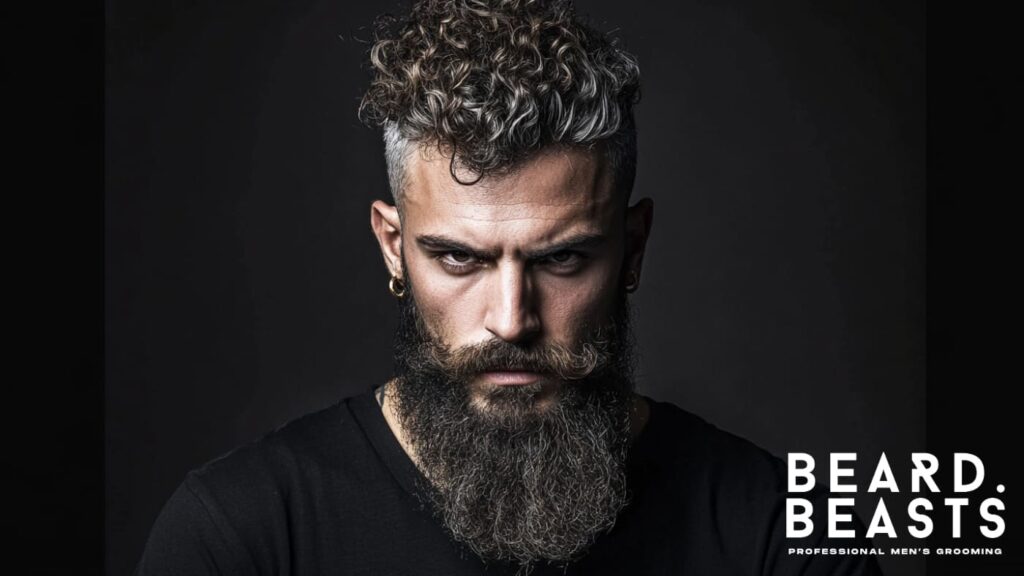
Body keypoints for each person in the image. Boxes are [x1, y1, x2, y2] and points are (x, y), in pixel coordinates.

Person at [136, 1, 881, 574]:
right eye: (459, 259)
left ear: (633, 249)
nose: (511, 320)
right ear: (395, 249)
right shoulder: (241, 536)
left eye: (562, 260)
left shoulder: (782, 532)